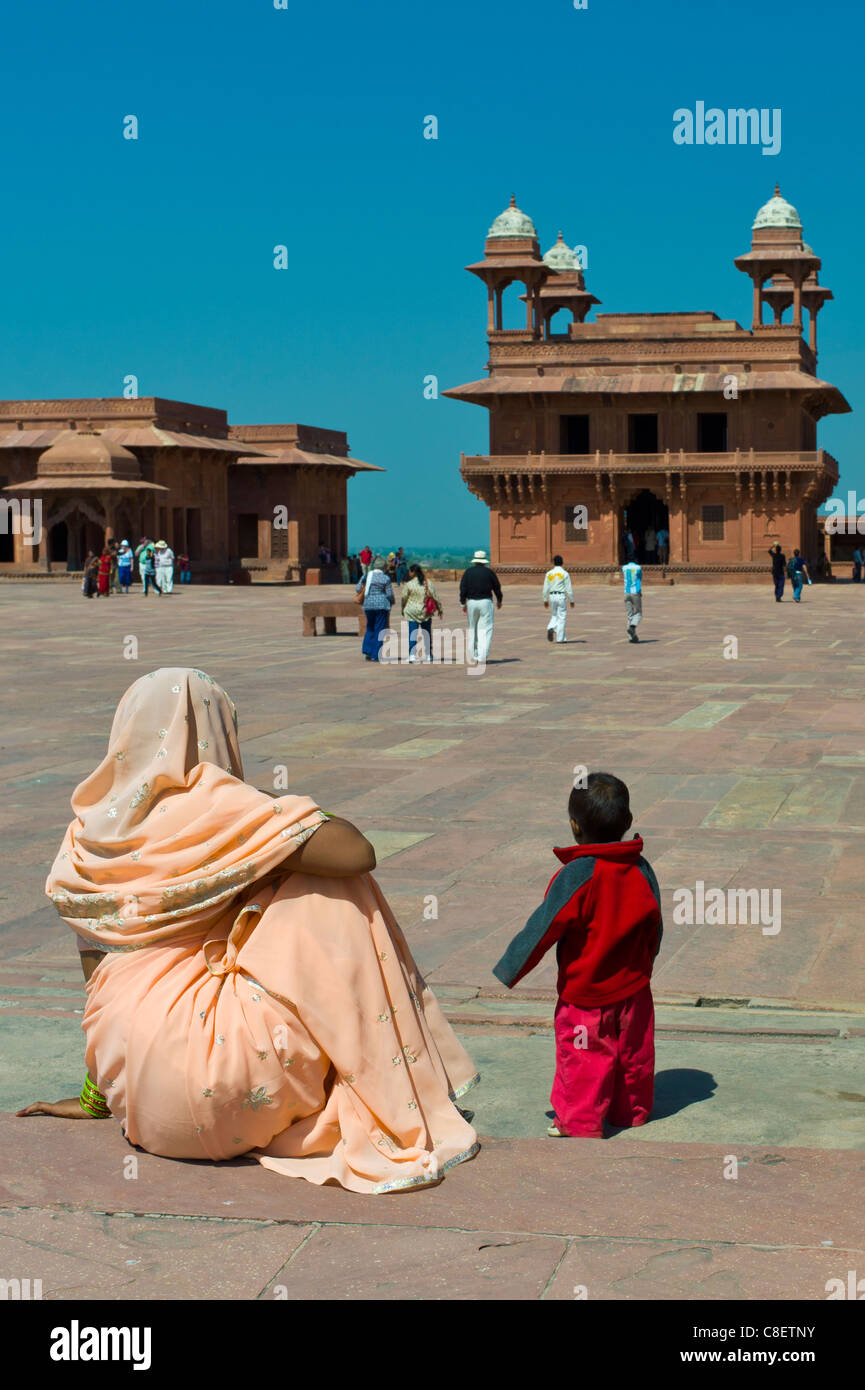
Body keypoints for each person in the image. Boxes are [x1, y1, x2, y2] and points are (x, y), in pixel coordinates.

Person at [16, 669, 479, 1195]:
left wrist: (97, 1097)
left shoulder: (88, 833)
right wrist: (265, 813)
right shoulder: (223, 810)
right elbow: (357, 851)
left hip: (145, 1109)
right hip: (236, 1093)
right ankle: (384, 1080)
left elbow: (99, 981)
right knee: (333, 886)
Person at [492, 771, 662, 1138]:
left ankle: (580, 1122)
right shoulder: (642, 869)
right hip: (635, 992)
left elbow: (542, 928)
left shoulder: (577, 875)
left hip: (585, 998)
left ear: (574, 826)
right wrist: (645, 965)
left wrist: (511, 968)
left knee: (584, 1058)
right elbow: (655, 927)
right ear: (627, 822)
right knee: (633, 1055)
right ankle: (630, 1112)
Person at [459, 550, 502, 665]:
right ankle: (482, 656)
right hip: (485, 602)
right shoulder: (489, 573)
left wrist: (463, 603)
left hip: (472, 602)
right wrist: (499, 600)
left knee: (473, 628)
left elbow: (463, 588)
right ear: (484, 561)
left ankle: (474, 654)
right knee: (486, 629)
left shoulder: (468, 572)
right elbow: (497, 588)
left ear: (475, 561)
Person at [356, 555, 394, 662]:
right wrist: (392, 602)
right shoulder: (385, 578)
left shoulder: (367, 576)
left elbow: (357, 588)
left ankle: (368, 650)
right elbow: (389, 594)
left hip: (368, 605)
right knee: (379, 629)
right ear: (384, 568)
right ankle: (376, 654)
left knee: (370, 627)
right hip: (381, 605)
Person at [401, 562, 441, 662]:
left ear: (413, 572)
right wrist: (440, 609)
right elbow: (434, 596)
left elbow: (404, 598)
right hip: (425, 611)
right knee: (426, 633)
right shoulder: (428, 583)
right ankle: (428, 654)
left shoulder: (409, 584)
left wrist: (403, 609)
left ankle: (412, 655)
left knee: (412, 633)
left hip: (412, 612)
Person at [542, 555, 574, 644]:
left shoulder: (549, 573)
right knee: (562, 617)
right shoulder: (565, 573)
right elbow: (569, 588)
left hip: (552, 596)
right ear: (562, 562)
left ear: (553, 563)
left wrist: (545, 599)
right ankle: (560, 639)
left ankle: (550, 627)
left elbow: (545, 588)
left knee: (554, 615)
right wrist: (571, 600)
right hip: (561, 596)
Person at [622, 558, 643, 642]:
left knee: (629, 615)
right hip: (635, 592)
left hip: (626, 592)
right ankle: (632, 627)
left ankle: (631, 637)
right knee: (638, 613)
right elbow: (639, 578)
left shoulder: (624, 567)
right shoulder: (638, 567)